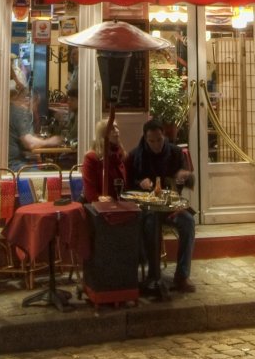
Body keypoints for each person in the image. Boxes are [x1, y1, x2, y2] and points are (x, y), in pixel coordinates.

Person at [128, 118, 196, 294]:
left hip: (171, 207)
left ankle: (182, 275)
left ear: (164, 136)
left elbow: (188, 179)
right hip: (147, 209)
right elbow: (128, 184)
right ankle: (153, 274)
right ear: (145, 138)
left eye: (159, 140)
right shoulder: (136, 155)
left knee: (188, 222)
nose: (156, 145)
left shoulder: (175, 153)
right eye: (151, 141)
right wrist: (139, 182)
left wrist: (185, 176)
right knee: (150, 225)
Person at [8, 71, 66, 169]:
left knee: (46, 167)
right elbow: (30, 143)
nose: (36, 110)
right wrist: (50, 141)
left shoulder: (11, 109)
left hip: (10, 162)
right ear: (30, 101)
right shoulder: (21, 112)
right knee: (52, 173)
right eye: (36, 105)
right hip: (15, 165)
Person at [79, 116, 128, 201]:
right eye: (112, 128)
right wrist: (100, 199)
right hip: (99, 206)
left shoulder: (120, 154)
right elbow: (90, 193)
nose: (116, 131)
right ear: (103, 134)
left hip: (119, 203)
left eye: (117, 127)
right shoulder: (92, 158)